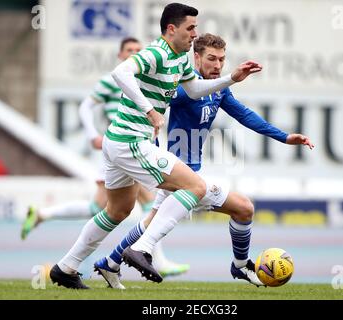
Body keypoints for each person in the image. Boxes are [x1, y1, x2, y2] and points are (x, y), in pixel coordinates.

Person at [49, 2, 263, 289]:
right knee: (194, 187)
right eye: (190, 28)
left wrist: (230, 79)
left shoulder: (183, 57)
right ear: (171, 29)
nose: (194, 33)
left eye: (196, 27)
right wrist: (150, 109)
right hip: (131, 141)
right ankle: (142, 248)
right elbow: (120, 73)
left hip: (118, 140)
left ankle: (66, 267)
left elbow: (195, 89)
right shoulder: (156, 52)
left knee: (117, 211)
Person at [95, 33, 314, 288]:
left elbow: (244, 115)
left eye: (222, 59)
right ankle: (240, 265)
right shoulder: (181, 89)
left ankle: (109, 264)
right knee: (243, 207)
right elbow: (152, 114)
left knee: (152, 222)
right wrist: (150, 152)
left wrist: (284, 137)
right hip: (177, 174)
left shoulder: (218, 90)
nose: (218, 65)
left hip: (189, 174)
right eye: (211, 59)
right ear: (196, 57)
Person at [20, 37, 189, 280]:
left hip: (136, 145)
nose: (134, 53)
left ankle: (44, 218)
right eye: (129, 50)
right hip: (124, 146)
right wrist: (91, 134)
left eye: (137, 50)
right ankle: (153, 257)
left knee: (103, 208)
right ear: (120, 55)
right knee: (147, 203)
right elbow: (85, 106)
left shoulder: (148, 77)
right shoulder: (113, 81)